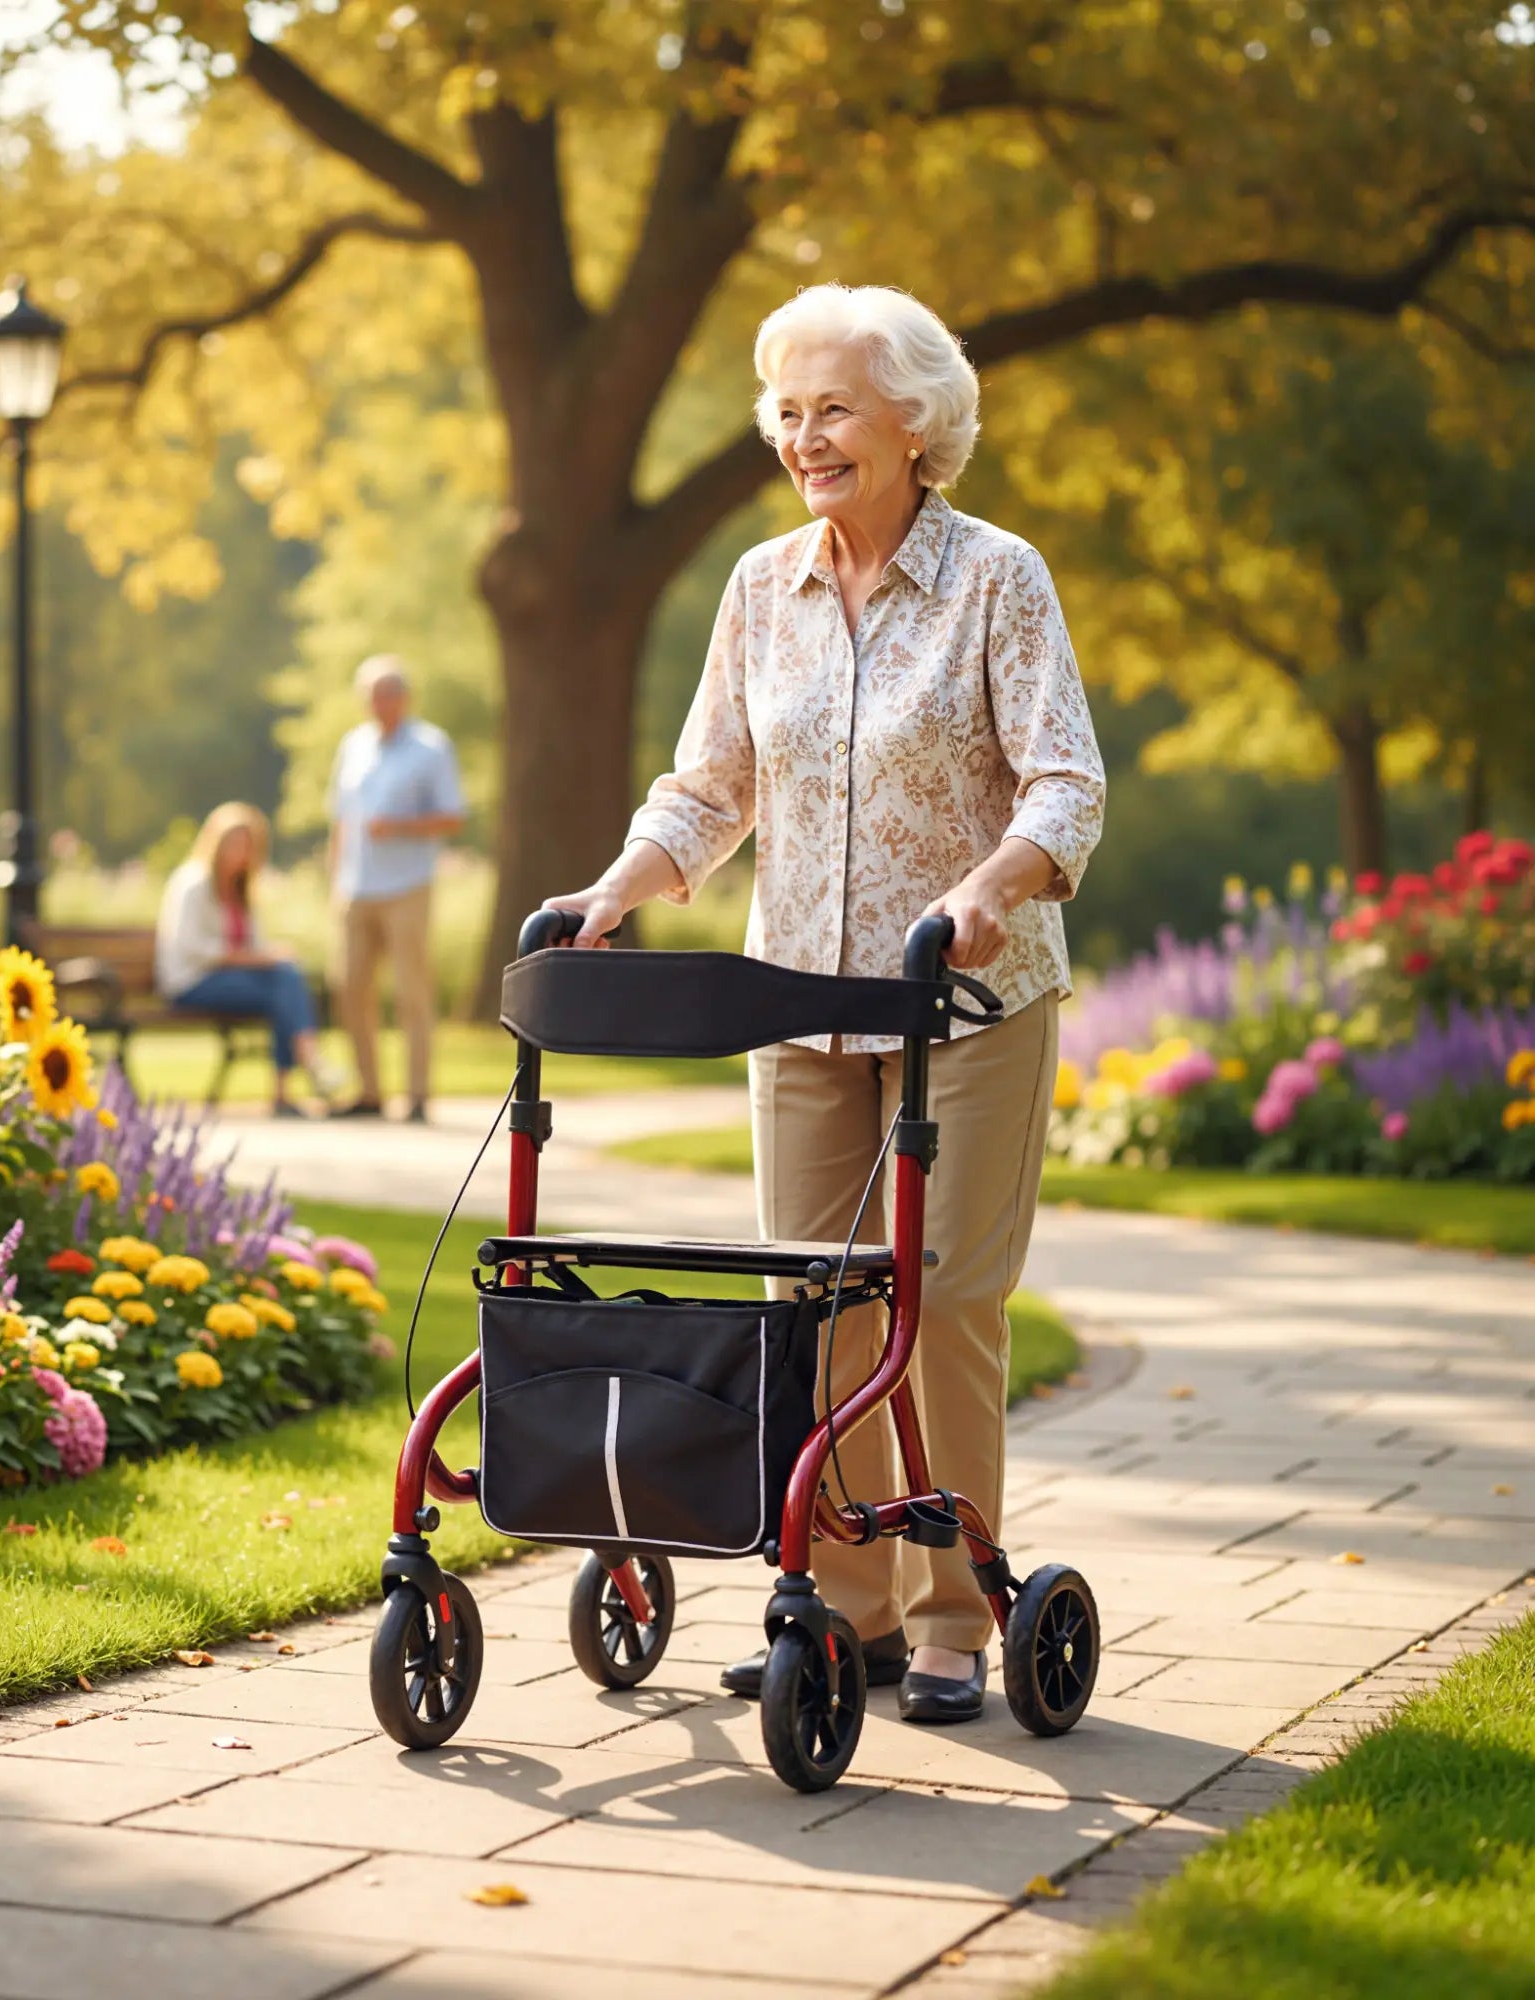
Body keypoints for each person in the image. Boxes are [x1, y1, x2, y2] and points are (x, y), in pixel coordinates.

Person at [542, 284, 1104, 1726]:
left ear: (916, 423)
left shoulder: (997, 578)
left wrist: (993, 883)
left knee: (943, 1302)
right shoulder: (759, 587)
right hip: (794, 1006)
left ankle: (955, 1613)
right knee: (814, 1305)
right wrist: (616, 886)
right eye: (787, 412)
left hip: (963, 1000)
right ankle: (845, 1607)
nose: (805, 437)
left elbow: (1065, 780)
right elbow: (708, 787)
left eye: (834, 407)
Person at [327, 655, 466, 1123]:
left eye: (388, 694)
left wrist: (401, 826)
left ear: (404, 698)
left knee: (411, 992)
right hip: (355, 888)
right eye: (372, 694)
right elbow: (340, 820)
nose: (380, 702)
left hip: (407, 887)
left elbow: (452, 816)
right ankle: (369, 1091)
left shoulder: (431, 748)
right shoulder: (353, 746)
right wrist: (334, 880)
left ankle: (418, 1094)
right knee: (349, 988)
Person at [155, 802, 337, 1118]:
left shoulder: (241, 889)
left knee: (286, 977)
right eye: (234, 843)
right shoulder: (193, 883)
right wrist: (246, 958)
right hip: (192, 981)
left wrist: (270, 954)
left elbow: (253, 943)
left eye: (247, 845)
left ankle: (291, 1083)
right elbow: (190, 947)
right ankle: (308, 1066)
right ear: (216, 841)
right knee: (282, 987)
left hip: (229, 979)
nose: (240, 852)